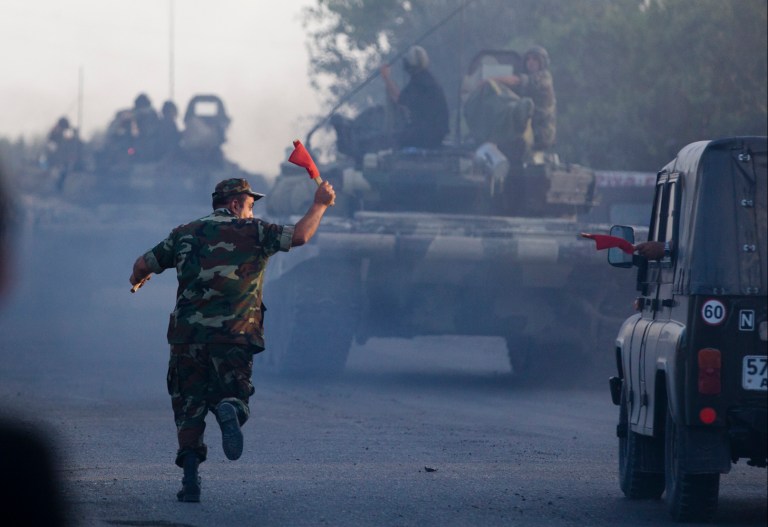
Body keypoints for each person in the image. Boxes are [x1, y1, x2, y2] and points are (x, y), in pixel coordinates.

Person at [129, 177, 335, 503]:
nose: (252, 213)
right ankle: (230, 407)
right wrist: (320, 203)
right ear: (237, 204)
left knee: (189, 408)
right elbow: (301, 235)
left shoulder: (185, 233)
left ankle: (190, 480)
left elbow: (142, 264)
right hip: (234, 336)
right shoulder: (256, 233)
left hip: (187, 339)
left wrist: (139, 278)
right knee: (235, 392)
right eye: (251, 206)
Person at [380, 45, 450, 149]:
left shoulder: (420, 82)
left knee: (391, 140)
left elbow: (399, 98)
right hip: (436, 133)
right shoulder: (426, 78)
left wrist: (386, 77)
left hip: (427, 134)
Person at [491, 45, 557, 152]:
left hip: (540, 133)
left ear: (542, 62)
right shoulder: (527, 82)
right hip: (526, 130)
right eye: (528, 59)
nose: (530, 62)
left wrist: (491, 80)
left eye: (535, 59)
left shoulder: (544, 78)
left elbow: (517, 81)